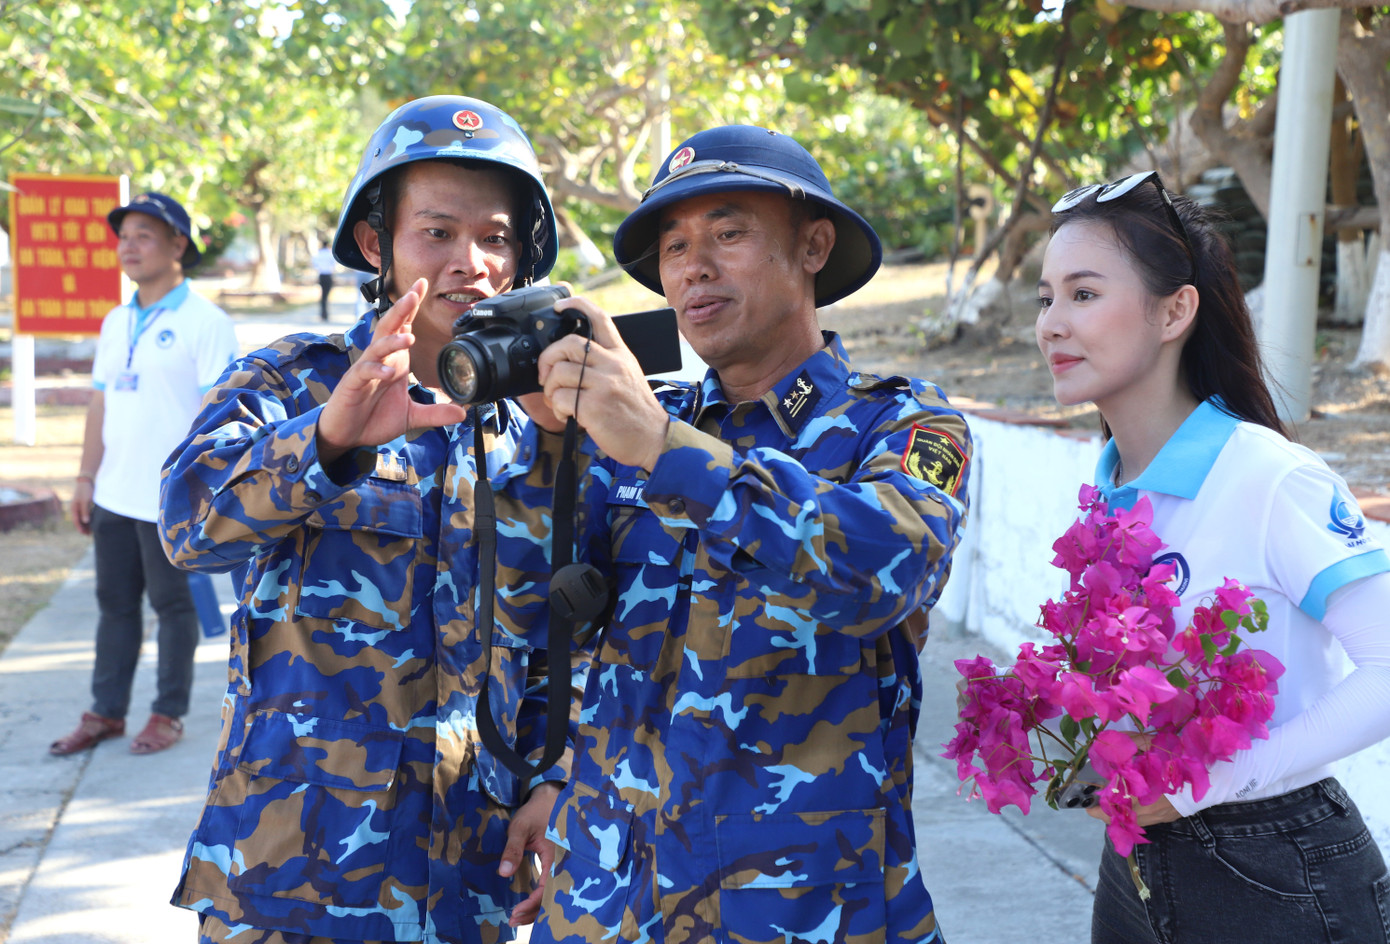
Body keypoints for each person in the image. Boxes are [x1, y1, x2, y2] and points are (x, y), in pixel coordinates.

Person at [497, 125, 972, 942]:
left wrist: (661, 450)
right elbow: (528, 612)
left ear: (814, 246)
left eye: (729, 233)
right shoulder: (644, 421)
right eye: (674, 246)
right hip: (611, 898)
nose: (693, 267)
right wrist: (550, 451)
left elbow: (885, 570)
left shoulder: (898, 421)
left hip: (797, 910)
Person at [158, 95, 577, 944]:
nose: (473, 263)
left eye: (496, 237)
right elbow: (188, 529)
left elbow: (571, 639)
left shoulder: (544, 425)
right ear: (375, 243)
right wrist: (329, 436)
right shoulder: (291, 380)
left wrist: (555, 776)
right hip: (292, 877)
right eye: (437, 233)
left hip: (473, 883)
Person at [1036, 170, 1390, 943]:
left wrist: (1213, 777)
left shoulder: (1269, 477)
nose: (1053, 323)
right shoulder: (1105, 488)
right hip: (1137, 864)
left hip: (1279, 871)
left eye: (1084, 294)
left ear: (1175, 310)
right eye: (1047, 297)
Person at [51, 191, 237, 758]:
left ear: (178, 245)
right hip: (113, 494)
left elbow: (219, 415)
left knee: (175, 608)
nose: (128, 247)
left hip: (169, 499)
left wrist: (203, 494)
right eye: (123, 237)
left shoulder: (205, 322)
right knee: (115, 606)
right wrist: (86, 478)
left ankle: (167, 714)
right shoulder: (116, 320)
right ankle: (105, 712)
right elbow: (100, 404)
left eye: (144, 236)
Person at [312, 238, 336, 321]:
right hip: (328, 275)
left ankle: (323, 314)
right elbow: (334, 265)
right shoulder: (330, 254)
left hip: (321, 275)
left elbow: (315, 265)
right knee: (326, 295)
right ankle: (325, 314)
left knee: (323, 295)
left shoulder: (318, 254)